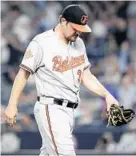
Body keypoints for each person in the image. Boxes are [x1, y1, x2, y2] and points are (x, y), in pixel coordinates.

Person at [4, 4, 119, 156]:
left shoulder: (79, 43)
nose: (78, 32)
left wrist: (106, 94)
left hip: (69, 111)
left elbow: (86, 76)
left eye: (81, 29)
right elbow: (22, 74)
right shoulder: (41, 42)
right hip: (51, 108)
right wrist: (12, 104)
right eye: (75, 28)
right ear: (63, 21)